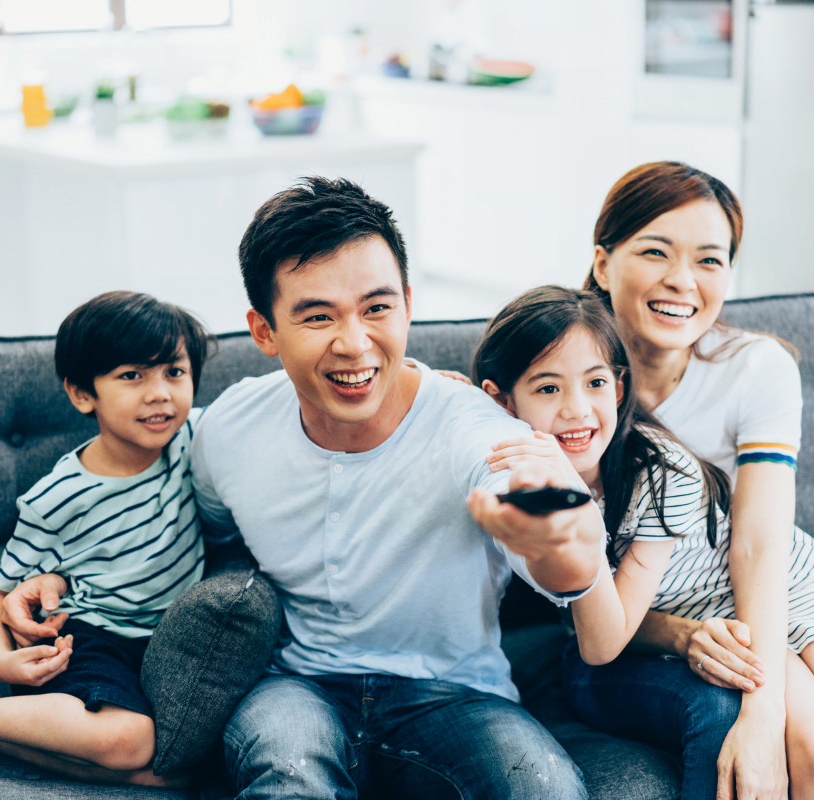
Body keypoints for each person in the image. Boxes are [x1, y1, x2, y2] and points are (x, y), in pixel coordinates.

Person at [192, 177, 601, 799]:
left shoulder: (473, 428)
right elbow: (212, 534)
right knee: (288, 773)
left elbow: (560, 562)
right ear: (264, 329)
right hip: (298, 686)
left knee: (547, 790)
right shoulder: (227, 430)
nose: (354, 343)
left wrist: (552, 538)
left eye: (376, 308)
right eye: (318, 315)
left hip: (457, 694)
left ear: (408, 303)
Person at [568, 161, 814, 800]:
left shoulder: (755, 367)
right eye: (655, 252)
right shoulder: (570, 383)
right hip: (682, 604)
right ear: (604, 264)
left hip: (791, 577)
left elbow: (760, 541)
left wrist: (761, 714)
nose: (682, 281)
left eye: (709, 261)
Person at [0, 291, 211, 786]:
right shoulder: (58, 497)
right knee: (132, 740)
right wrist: (3, 661)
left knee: (193, 760)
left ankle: (102, 767)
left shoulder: (194, 439)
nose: (160, 393)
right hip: (88, 637)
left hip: (166, 641)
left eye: (174, 372)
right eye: (132, 376)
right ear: (83, 394)